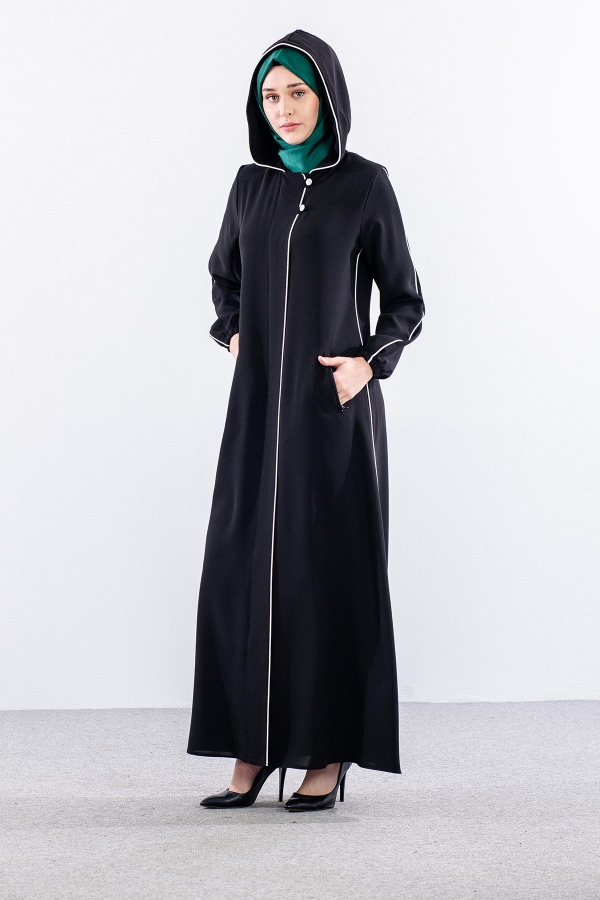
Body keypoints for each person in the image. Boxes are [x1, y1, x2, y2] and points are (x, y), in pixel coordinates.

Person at [187, 28, 425, 812]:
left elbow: (406, 300)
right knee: (245, 568)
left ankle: (326, 752)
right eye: (271, 95)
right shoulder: (250, 186)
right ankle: (253, 746)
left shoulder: (365, 185)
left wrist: (368, 363)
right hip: (258, 410)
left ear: (326, 96)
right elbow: (224, 279)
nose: (284, 108)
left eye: (297, 92)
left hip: (332, 414)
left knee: (325, 574)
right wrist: (234, 333)